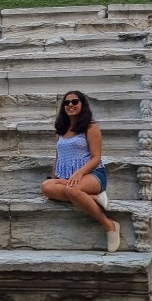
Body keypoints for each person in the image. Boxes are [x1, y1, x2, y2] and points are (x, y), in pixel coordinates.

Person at [40, 90, 120, 252]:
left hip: (93, 175)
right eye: (66, 102)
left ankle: (110, 225)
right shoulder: (61, 130)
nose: (70, 105)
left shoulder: (90, 127)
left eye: (74, 102)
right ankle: (94, 198)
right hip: (69, 179)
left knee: (71, 188)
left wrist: (79, 173)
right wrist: (54, 179)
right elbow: (58, 158)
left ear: (82, 104)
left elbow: (96, 158)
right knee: (46, 186)